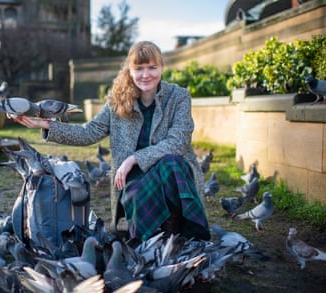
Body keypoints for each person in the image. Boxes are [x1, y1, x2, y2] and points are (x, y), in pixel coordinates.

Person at [14, 41, 210, 241]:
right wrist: (46, 125)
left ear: (161, 68)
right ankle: (157, 237)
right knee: (138, 194)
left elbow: (179, 142)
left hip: (172, 174)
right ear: (130, 71)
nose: (146, 75)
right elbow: (87, 133)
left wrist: (133, 158)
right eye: (139, 68)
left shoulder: (178, 97)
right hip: (135, 178)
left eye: (152, 67)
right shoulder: (117, 102)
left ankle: (185, 233)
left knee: (171, 163)